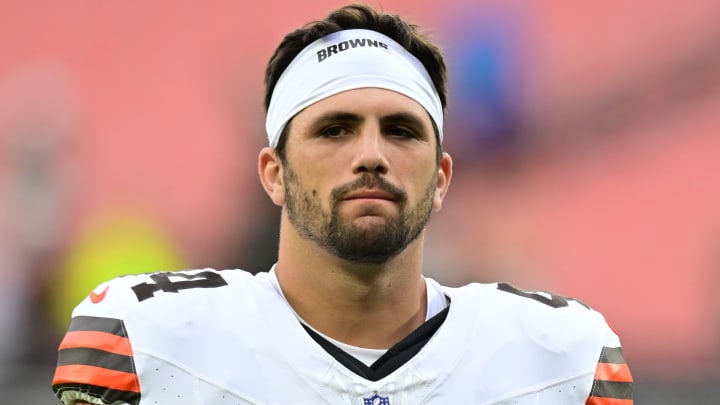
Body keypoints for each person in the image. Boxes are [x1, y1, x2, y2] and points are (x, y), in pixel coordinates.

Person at [51, 4, 633, 404]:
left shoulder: (560, 360)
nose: (372, 155)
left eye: (402, 130)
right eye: (335, 129)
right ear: (273, 174)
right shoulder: (148, 342)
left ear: (441, 179)